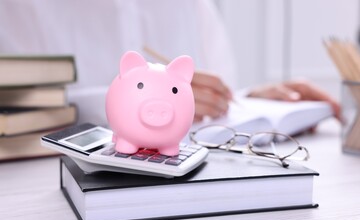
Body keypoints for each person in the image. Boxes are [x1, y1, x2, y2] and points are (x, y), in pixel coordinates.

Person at [0, 0, 340, 125]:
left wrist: (250, 100)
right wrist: (134, 100)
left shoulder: (192, 6)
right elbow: (15, 110)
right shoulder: (17, 9)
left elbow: (205, 106)